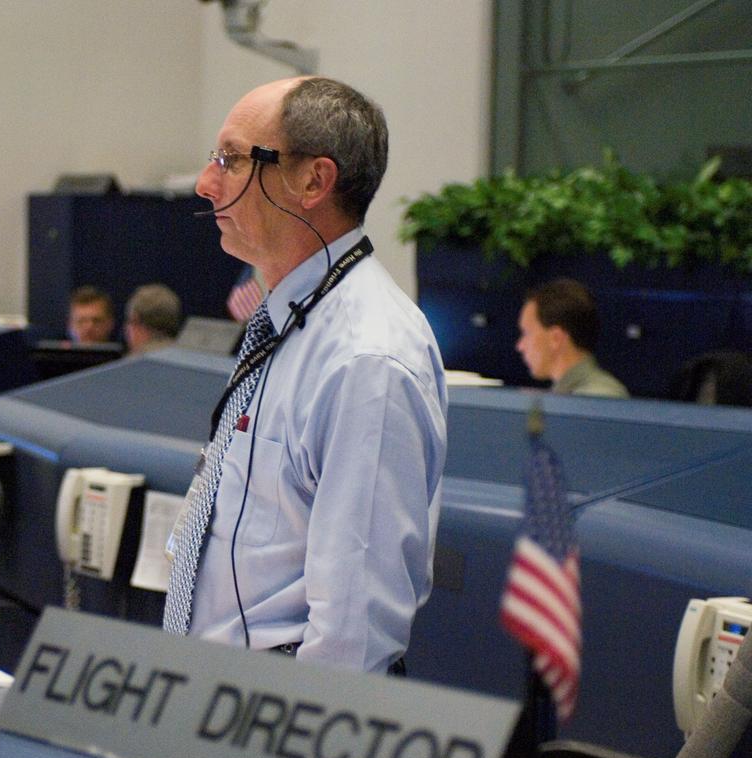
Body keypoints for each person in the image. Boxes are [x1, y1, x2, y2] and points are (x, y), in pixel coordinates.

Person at [163, 76, 448, 674]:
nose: (206, 183)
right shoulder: (292, 317)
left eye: (232, 160)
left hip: (278, 706)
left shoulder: (367, 358)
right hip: (215, 687)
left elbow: (353, 637)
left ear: (314, 181)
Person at [515, 278, 629, 398]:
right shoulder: (575, 395)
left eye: (526, 333)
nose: (520, 346)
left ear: (556, 338)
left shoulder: (598, 397)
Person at [123, 283, 182, 355]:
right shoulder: (189, 355)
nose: (125, 330)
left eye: (129, 321)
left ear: (135, 319)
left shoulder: (135, 359)